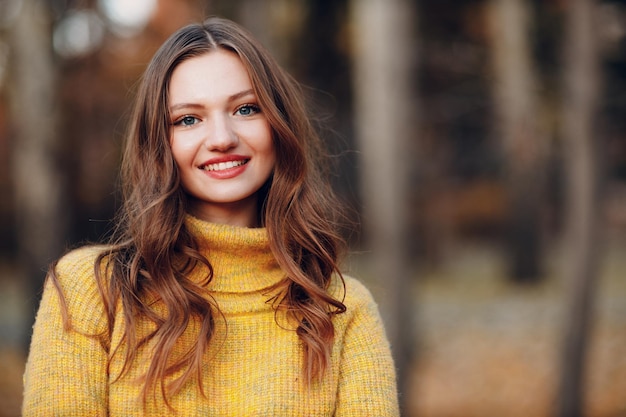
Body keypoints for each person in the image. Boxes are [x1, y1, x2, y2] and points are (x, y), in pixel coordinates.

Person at [22, 16, 399, 416]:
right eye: (188, 119)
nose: (221, 138)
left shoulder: (342, 309)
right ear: (159, 143)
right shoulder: (91, 290)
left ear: (278, 124)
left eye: (246, 109)